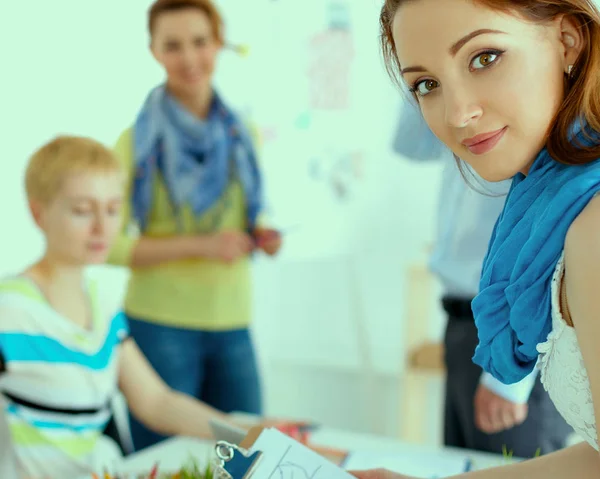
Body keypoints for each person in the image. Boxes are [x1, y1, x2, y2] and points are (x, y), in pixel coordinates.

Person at [353, 0, 600, 477]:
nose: (458, 113)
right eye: (427, 84)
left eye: (484, 57)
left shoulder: (590, 223)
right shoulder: (546, 199)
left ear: (568, 39)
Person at [0, 136, 260, 478]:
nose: (102, 227)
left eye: (112, 209)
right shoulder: (10, 310)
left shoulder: (102, 306)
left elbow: (155, 401)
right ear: (39, 212)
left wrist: (251, 435)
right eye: (82, 210)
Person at [106, 0, 282, 451]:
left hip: (233, 321)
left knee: (248, 455)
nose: (189, 58)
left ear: (219, 44)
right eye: (173, 45)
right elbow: (110, 246)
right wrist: (203, 245)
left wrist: (261, 235)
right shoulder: (134, 142)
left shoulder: (244, 132)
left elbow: (247, 216)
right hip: (157, 326)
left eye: (200, 42)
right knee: (168, 461)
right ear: (153, 52)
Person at [392, 104, 570, 456]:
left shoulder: (548, 122)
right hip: (462, 325)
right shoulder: (459, 109)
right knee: (461, 464)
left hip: (517, 337)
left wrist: (510, 379)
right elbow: (409, 143)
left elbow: (556, 255)